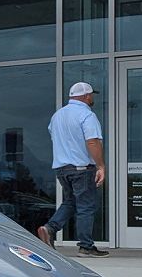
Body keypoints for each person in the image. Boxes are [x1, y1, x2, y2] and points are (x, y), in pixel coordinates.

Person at [39, 82, 108, 257]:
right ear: (86, 96)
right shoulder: (87, 115)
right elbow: (92, 141)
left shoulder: (57, 116)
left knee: (71, 202)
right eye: (91, 95)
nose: (92, 98)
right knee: (86, 206)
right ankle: (86, 246)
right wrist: (100, 166)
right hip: (82, 168)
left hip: (62, 169)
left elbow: (55, 137)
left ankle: (50, 228)